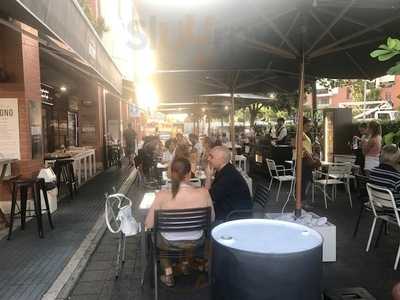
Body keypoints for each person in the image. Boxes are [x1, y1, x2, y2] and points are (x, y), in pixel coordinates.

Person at [145, 158, 214, 287]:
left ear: (171, 174)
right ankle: (185, 264)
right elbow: (211, 219)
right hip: (196, 241)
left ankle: (168, 273)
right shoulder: (203, 193)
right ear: (189, 174)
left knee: (157, 237)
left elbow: (148, 224)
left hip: (168, 242)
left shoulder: (162, 195)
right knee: (189, 236)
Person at [205, 146, 252, 221]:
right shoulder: (224, 170)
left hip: (233, 216)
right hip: (228, 210)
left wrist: (208, 177)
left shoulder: (228, 176)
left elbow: (208, 197)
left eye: (211, 157)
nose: (208, 159)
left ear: (221, 159)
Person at [298, 117, 321, 207]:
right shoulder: (301, 134)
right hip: (304, 159)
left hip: (306, 159)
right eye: (307, 125)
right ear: (303, 125)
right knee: (305, 181)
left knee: (307, 181)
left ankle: (302, 201)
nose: (309, 127)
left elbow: (305, 146)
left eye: (310, 126)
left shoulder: (305, 134)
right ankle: (302, 202)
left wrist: (312, 146)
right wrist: (308, 154)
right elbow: (300, 146)